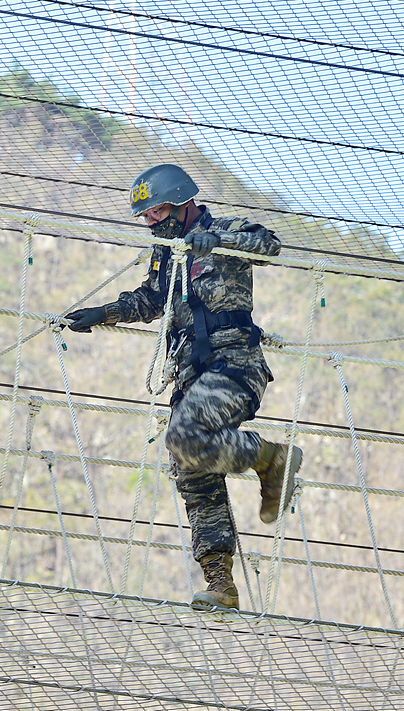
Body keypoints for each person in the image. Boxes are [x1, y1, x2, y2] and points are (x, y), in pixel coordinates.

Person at [64, 164, 301, 610]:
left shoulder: (223, 231)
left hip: (235, 366)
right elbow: (151, 300)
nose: (152, 222)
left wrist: (220, 241)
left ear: (182, 201)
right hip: (191, 375)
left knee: (183, 438)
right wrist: (103, 313)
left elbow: (269, 244)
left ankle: (274, 459)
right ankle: (220, 584)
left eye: (157, 212)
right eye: (147, 217)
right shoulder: (167, 253)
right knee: (192, 470)